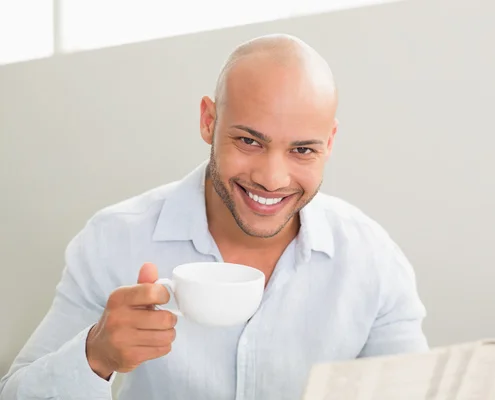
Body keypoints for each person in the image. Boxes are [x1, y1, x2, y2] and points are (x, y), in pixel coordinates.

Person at [0, 33, 428, 400]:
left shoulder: (373, 260)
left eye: (303, 150)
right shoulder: (113, 240)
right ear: (209, 121)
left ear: (329, 143)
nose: (272, 178)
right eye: (249, 141)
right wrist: (95, 355)